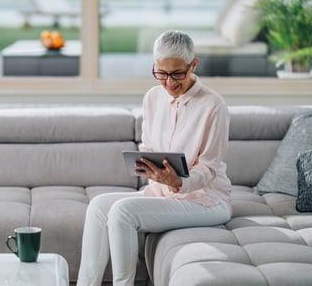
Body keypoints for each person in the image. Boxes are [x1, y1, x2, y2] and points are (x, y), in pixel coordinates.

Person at [76, 30, 232, 286]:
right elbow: (148, 145)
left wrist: (179, 182)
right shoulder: (152, 97)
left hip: (207, 201)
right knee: (98, 207)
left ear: (193, 65)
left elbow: (209, 169)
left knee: (123, 212)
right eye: (161, 73)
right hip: (163, 195)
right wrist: (147, 165)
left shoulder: (214, 105)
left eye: (177, 74)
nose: (169, 82)